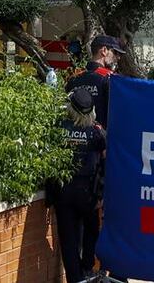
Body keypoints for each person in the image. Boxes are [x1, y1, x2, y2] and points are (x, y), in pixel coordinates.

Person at [52, 88, 106, 283]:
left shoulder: (59, 128)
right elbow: (106, 157)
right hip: (88, 192)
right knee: (92, 229)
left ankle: (75, 279)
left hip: (63, 191)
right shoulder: (96, 133)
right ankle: (87, 267)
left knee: (68, 238)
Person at [65, 35, 125, 128]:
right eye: (115, 53)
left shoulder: (74, 79)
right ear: (104, 50)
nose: (118, 58)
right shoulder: (111, 79)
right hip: (102, 138)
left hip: (75, 137)